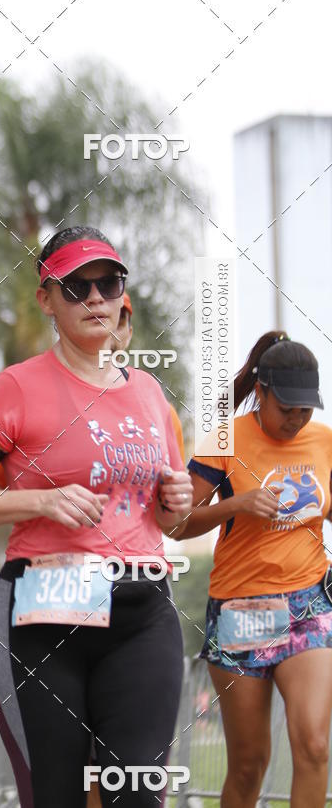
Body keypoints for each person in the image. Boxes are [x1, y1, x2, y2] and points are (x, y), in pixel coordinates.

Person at [0, 225, 192, 807]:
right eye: (76, 287)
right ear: (46, 299)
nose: (95, 298)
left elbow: (172, 521)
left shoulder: (151, 393)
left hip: (141, 611)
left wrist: (177, 503)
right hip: (43, 612)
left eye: (108, 283)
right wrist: (41, 500)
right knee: (55, 796)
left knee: (137, 795)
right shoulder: (16, 388)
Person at [174, 331, 332, 808]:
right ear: (260, 393)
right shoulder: (224, 439)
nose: (296, 419)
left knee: (315, 746)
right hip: (240, 611)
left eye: (306, 409)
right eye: (287, 408)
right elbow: (178, 525)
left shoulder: (324, 442)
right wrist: (237, 504)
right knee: (248, 766)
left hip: (309, 601)